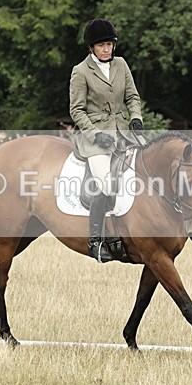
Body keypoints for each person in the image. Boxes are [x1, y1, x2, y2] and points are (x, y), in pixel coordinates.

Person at [69, 19, 143, 262]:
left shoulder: (121, 64)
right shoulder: (81, 71)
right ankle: (95, 241)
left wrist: (136, 118)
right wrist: (94, 134)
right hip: (95, 138)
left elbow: (132, 96)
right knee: (106, 184)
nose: (107, 49)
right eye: (101, 45)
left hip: (123, 133)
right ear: (91, 47)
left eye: (110, 44)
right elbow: (77, 110)